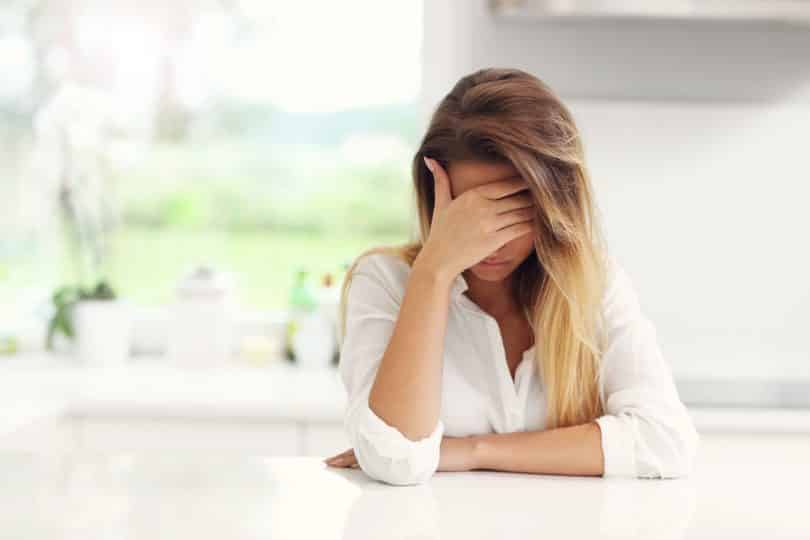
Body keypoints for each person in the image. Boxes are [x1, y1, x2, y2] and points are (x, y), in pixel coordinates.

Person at [324, 67, 699, 486]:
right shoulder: (386, 281)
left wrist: (471, 451)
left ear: (554, 206)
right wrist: (435, 270)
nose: (488, 242)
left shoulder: (594, 283)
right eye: (469, 217)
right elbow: (395, 459)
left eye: (511, 213)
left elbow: (665, 442)